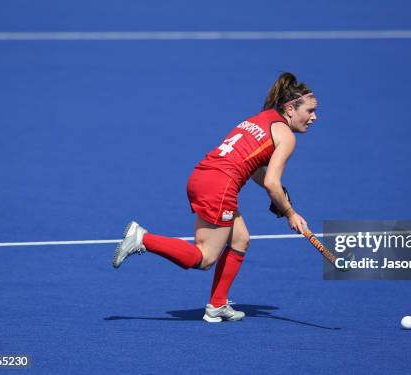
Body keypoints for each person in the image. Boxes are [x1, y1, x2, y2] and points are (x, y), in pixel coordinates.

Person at [112, 72, 317, 322]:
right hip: (220, 187)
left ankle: (217, 305)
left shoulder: (261, 118)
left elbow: (257, 173)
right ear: (290, 109)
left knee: (240, 239)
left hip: (202, 177)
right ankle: (143, 238)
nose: (314, 117)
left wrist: (280, 200)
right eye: (309, 111)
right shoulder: (286, 136)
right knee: (204, 258)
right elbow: (273, 183)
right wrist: (290, 213)